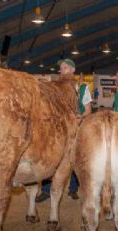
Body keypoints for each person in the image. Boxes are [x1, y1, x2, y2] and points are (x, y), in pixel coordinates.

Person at [36, 58, 90, 202]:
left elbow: (88, 111)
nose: (61, 70)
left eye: (65, 67)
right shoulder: (55, 87)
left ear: (73, 70)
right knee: (51, 158)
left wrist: (79, 117)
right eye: (61, 68)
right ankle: (46, 190)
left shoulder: (83, 88)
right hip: (58, 130)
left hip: (76, 128)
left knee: (73, 159)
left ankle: (73, 189)